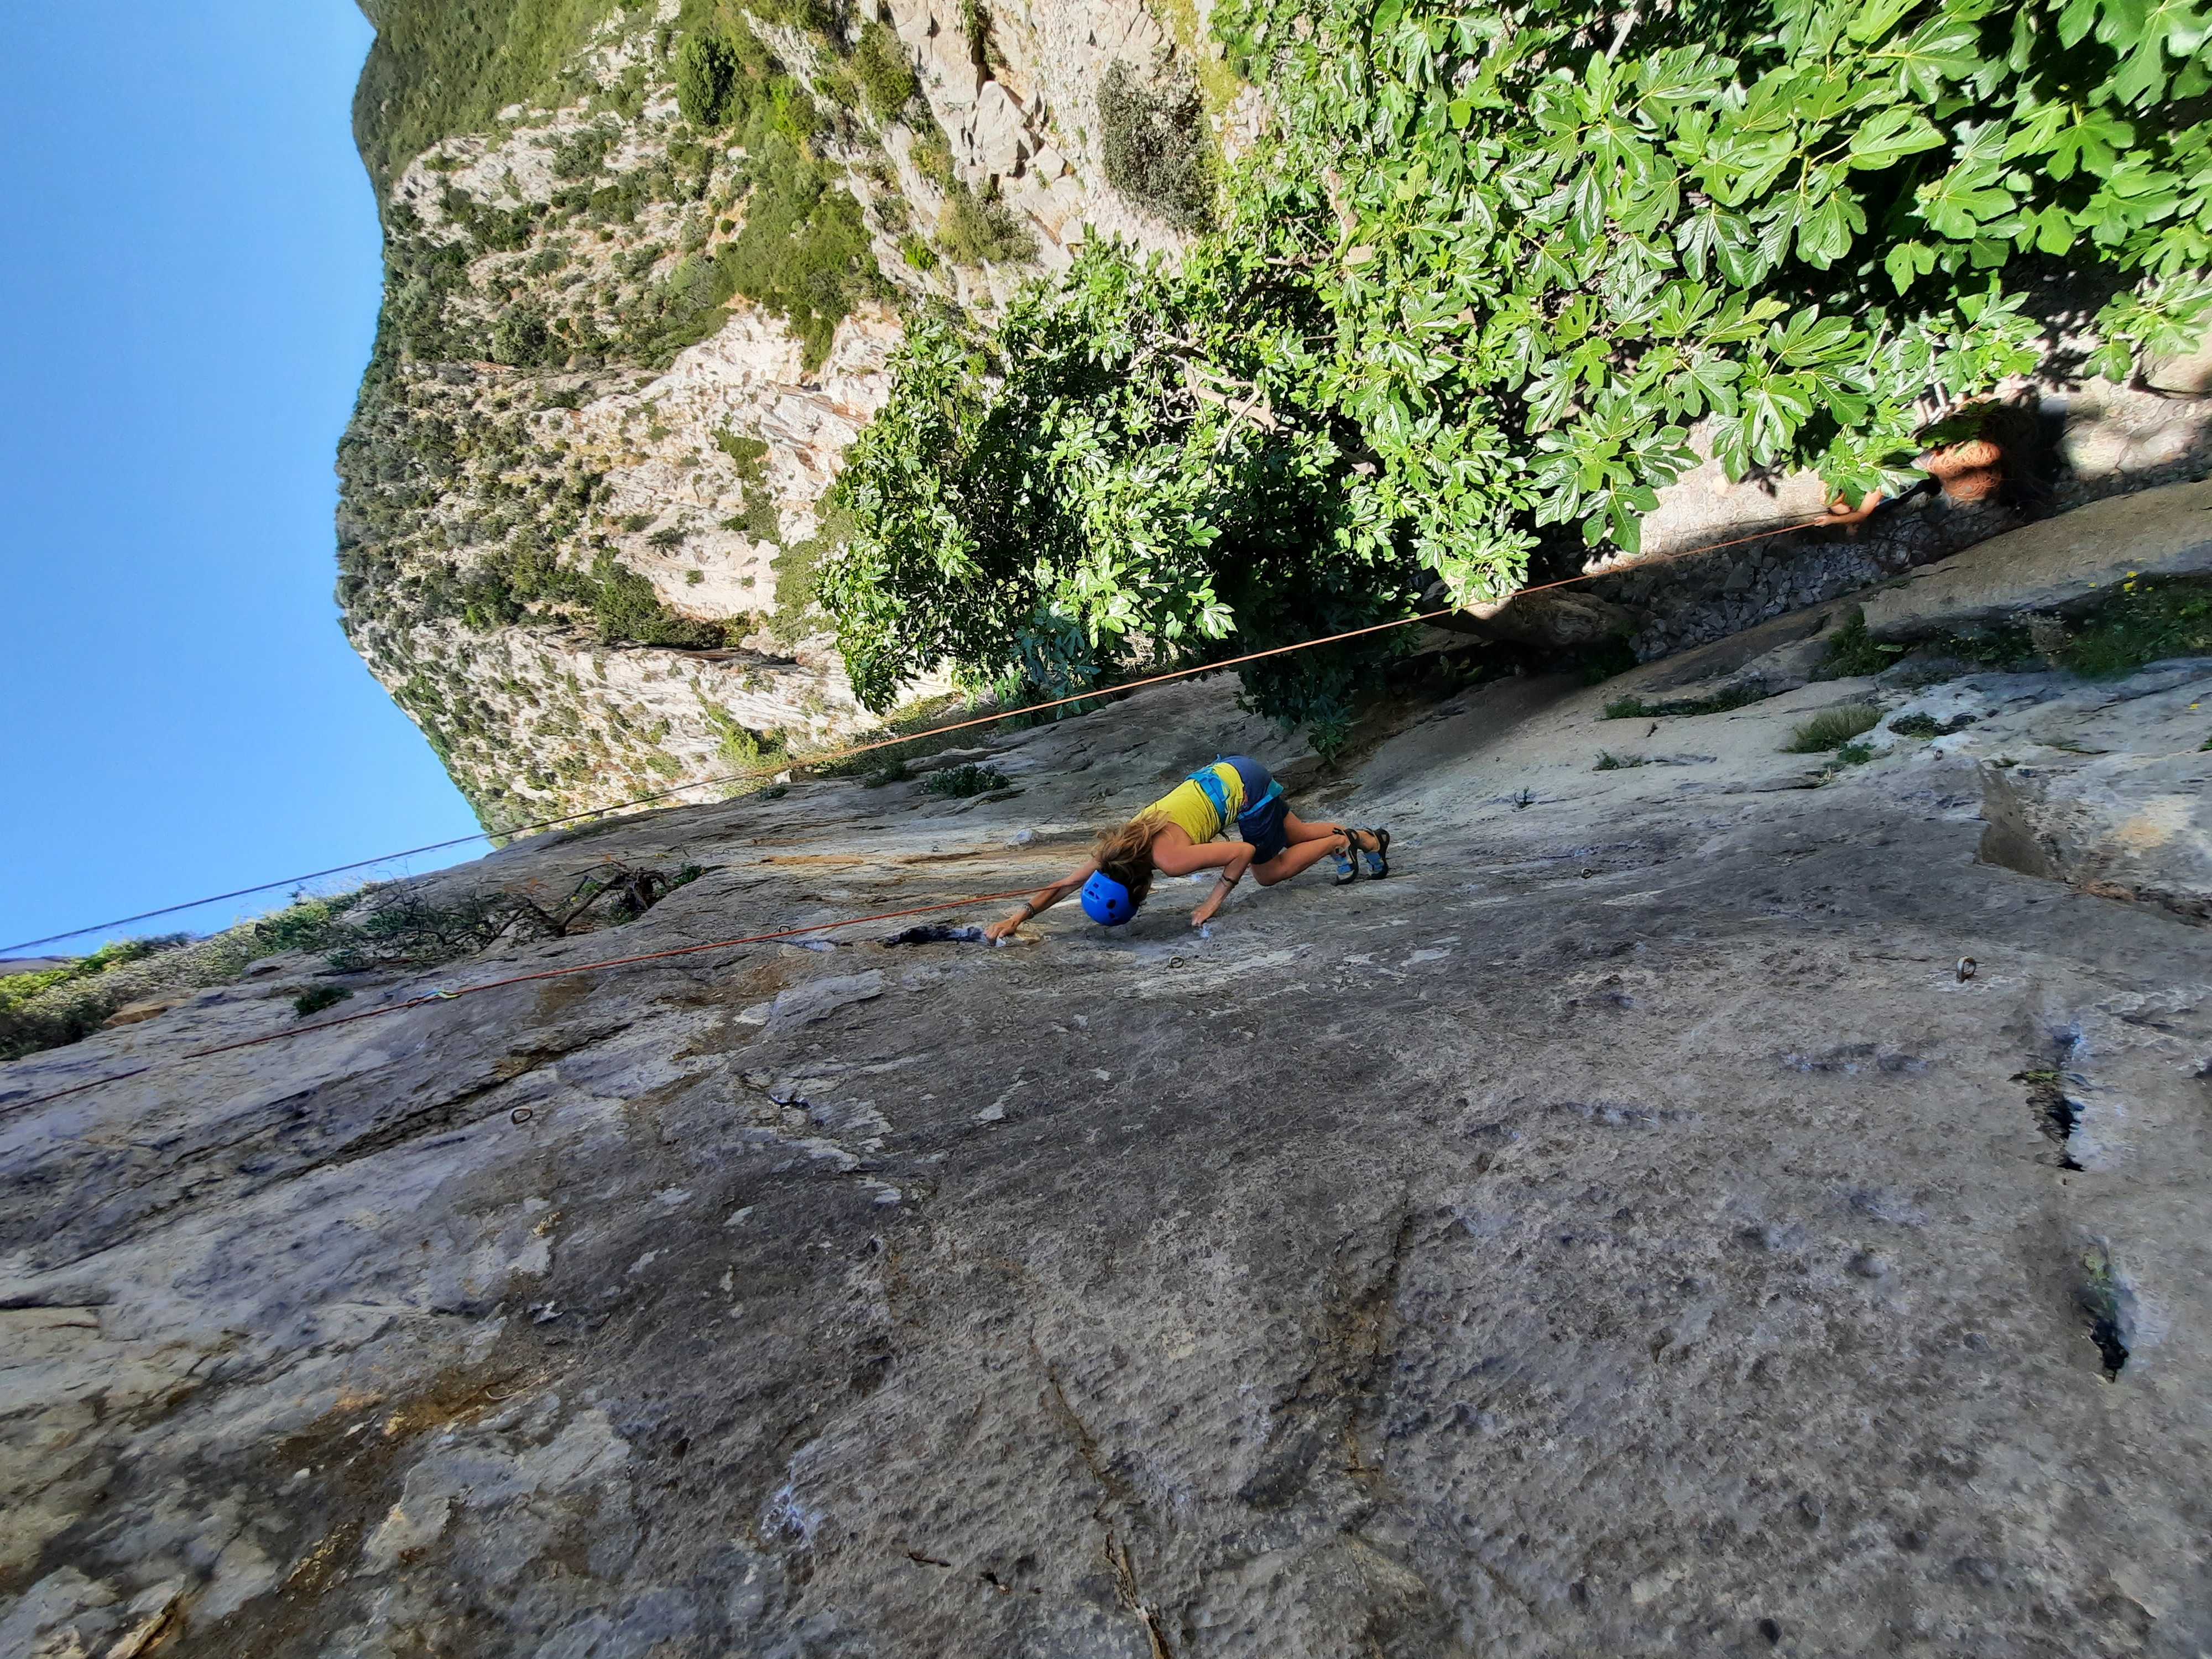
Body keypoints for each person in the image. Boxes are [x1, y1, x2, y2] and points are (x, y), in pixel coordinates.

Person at [983, 755, 1389, 940]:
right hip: (1227, 772)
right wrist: (1018, 918)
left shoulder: (1169, 860)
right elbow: (1068, 883)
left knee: (1269, 872)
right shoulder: (1121, 847)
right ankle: (1368, 840)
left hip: (1244, 788)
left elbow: (1242, 854)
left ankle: (1340, 843)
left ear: (1138, 889)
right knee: (1297, 834)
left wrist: (1213, 901)